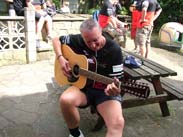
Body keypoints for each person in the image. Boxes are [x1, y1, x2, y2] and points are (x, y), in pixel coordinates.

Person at [52, 18, 124, 137]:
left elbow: (118, 82)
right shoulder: (78, 40)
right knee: (65, 100)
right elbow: (56, 40)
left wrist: (115, 89)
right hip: (83, 87)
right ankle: (75, 134)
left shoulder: (114, 50)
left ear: (101, 32)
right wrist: (60, 58)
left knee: (117, 124)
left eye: (95, 40)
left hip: (104, 92)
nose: (93, 45)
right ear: (83, 37)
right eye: (88, 41)